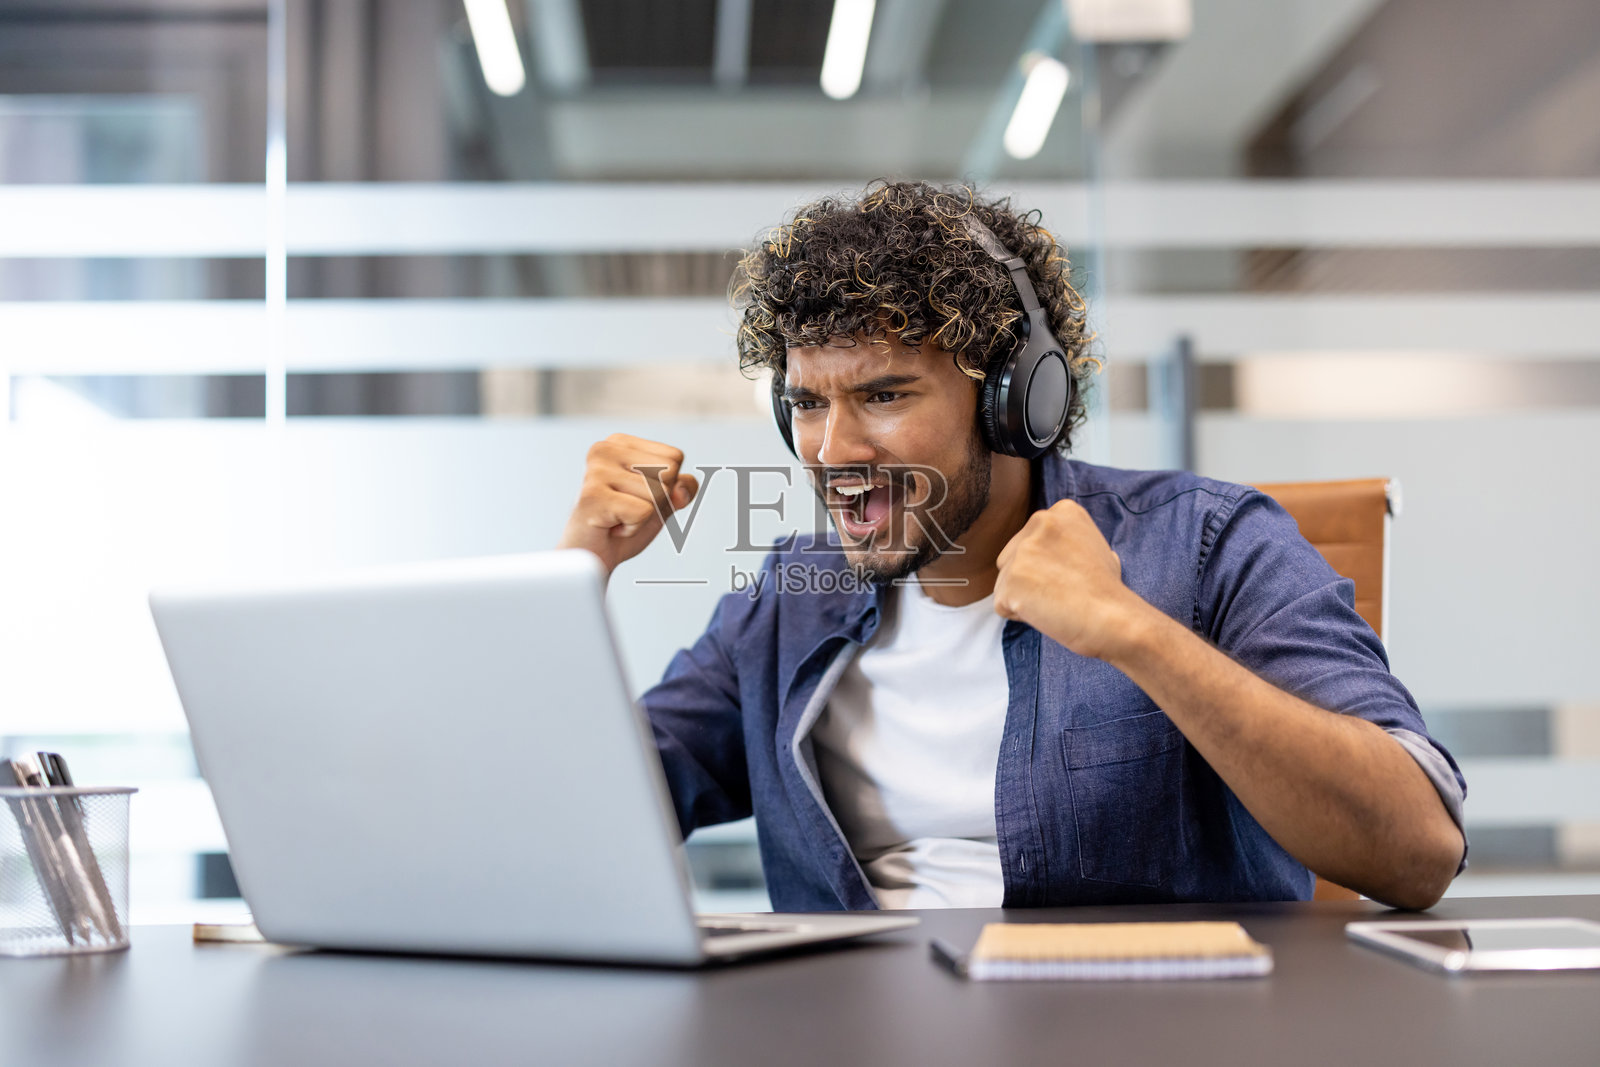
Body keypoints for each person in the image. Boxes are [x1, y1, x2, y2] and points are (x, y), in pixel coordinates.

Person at [558, 180, 1467, 913]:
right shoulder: (790, 598)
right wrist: (573, 579)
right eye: (806, 403)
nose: (832, 451)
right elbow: (589, 819)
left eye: (883, 395)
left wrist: (1136, 634)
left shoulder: (1208, 543)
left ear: (1013, 402)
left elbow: (1417, 848)